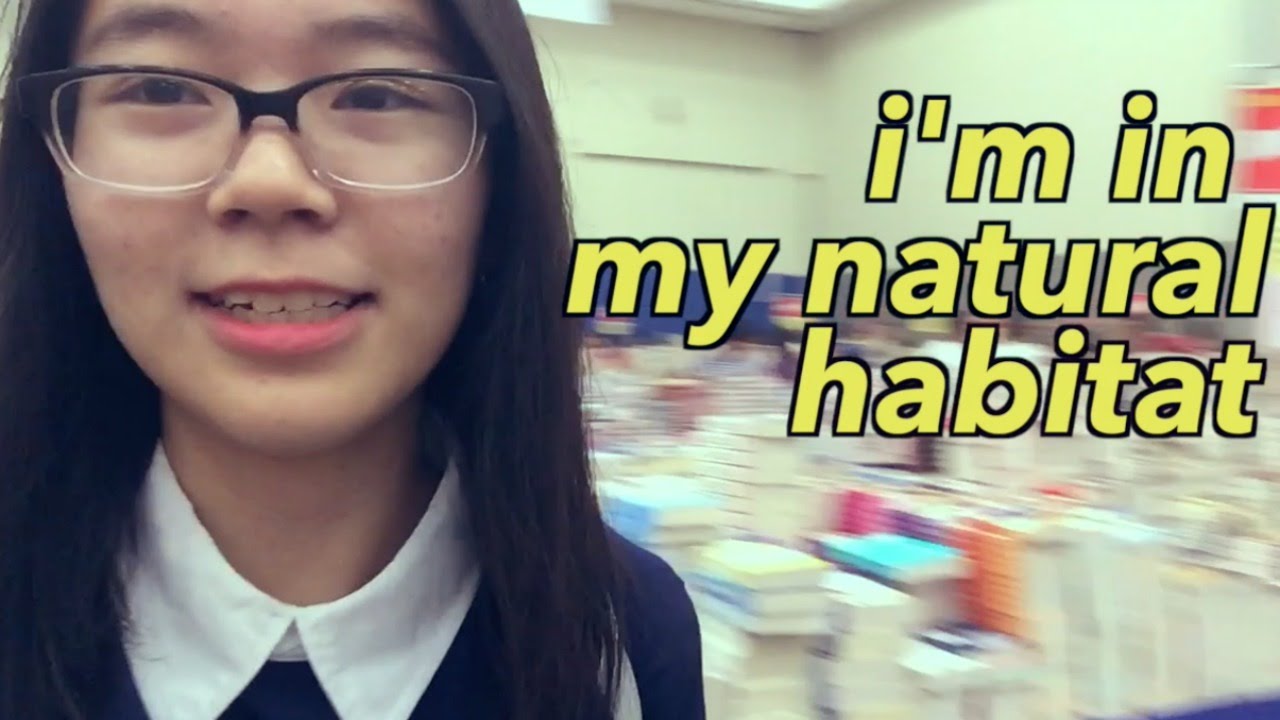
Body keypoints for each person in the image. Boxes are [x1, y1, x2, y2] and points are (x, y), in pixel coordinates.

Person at [0, 1, 704, 718]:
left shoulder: (621, 636)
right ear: (54, 158)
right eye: (161, 88)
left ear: (497, 176)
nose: (269, 182)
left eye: (375, 94)